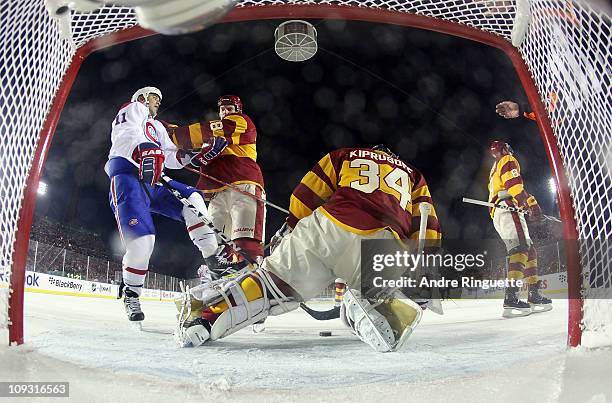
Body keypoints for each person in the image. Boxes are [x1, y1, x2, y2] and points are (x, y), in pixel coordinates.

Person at [175, 145, 443, 352]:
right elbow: (427, 224)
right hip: (382, 241)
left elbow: (306, 194)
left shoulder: (344, 155)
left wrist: (293, 227)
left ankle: (206, 317)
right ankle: (370, 306)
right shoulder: (412, 174)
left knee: (271, 288)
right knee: (381, 294)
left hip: (329, 224)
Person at [105, 86, 237, 322]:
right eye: (154, 98)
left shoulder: (156, 127)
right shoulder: (133, 108)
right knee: (143, 242)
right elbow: (123, 135)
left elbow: (170, 157)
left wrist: (196, 157)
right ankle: (131, 293)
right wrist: (143, 149)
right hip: (127, 175)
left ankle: (213, 258)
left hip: (155, 179)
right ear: (143, 98)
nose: (157, 102)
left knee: (193, 199)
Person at [167, 95, 266, 269]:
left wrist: (173, 134)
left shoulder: (241, 122)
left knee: (245, 240)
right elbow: (195, 151)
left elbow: (205, 132)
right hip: (217, 193)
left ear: (238, 111)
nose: (226, 112)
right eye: (222, 109)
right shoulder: (212, 141)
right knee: (214, 241)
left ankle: (253, 281)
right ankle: (219, 279)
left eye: (230, 108)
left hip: (243, 185)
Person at [488, 140, 552, 317]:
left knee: (529, 250)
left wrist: (523, 206)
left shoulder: (494, 168)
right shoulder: (507, 159)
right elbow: (514, 187)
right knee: (520, 248)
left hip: (501, 211)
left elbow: (506, 190)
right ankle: (511, 297)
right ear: (506, 149)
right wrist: (531, 203)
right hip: (506, 208)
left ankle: (533, 293)